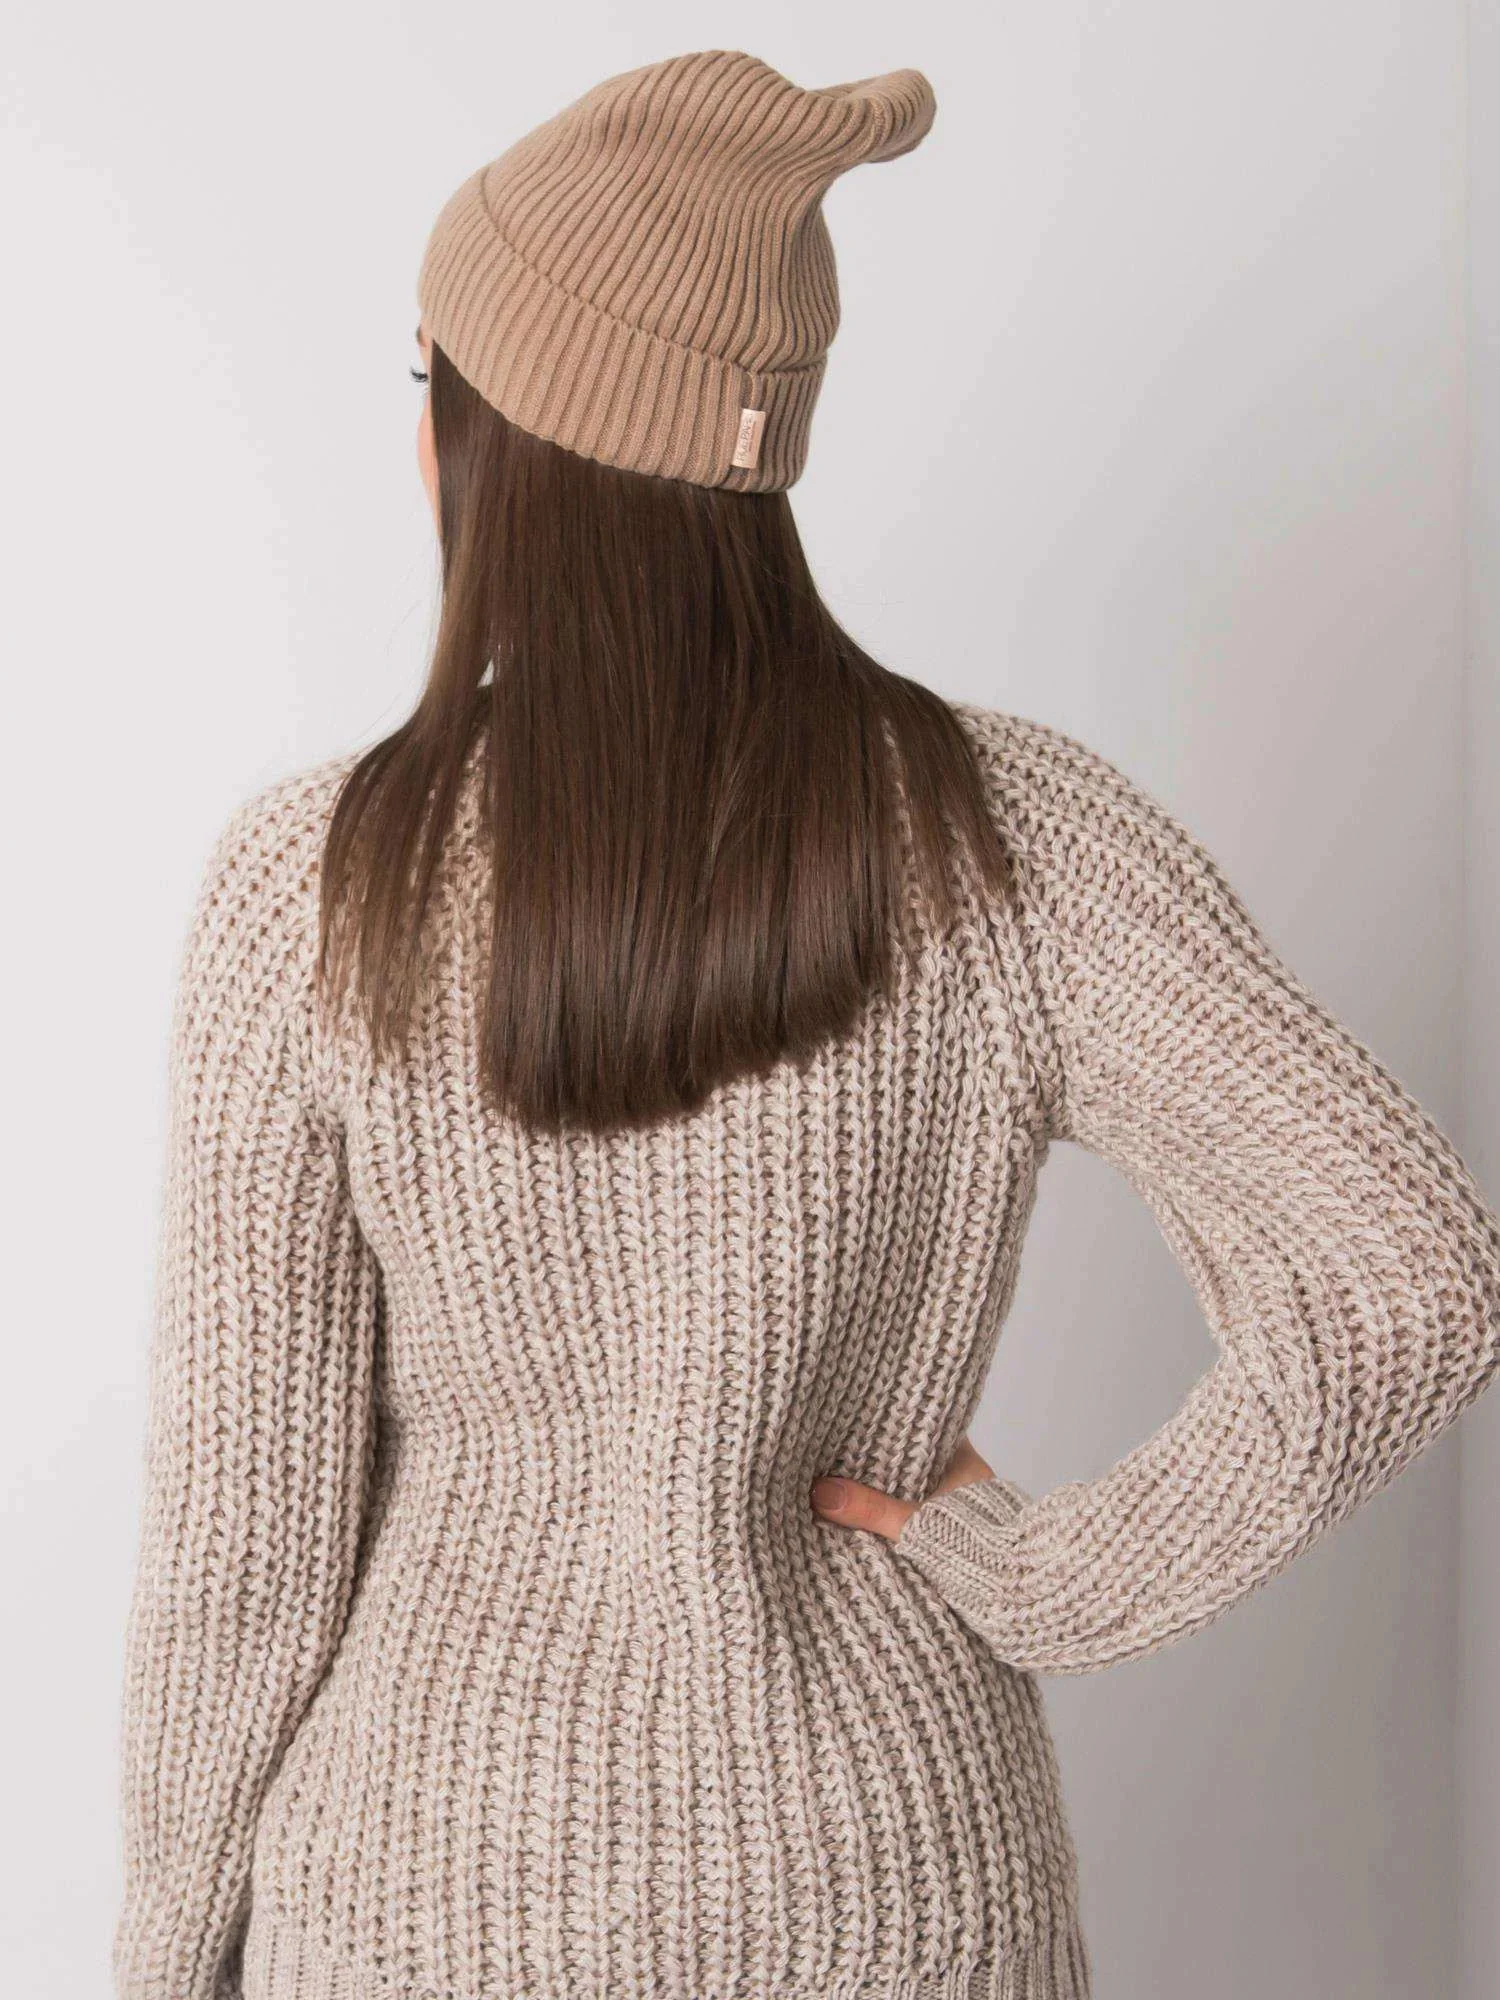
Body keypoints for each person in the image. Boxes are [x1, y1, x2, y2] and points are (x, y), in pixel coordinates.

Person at [111, 48, 1500, 2000]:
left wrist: (165, 1962)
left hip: (433, 1902)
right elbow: (1405, 1269)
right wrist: (1037, 1577)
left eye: (432, 377)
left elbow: (244, 1557)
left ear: (505, 446)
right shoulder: (1010, 836)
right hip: (896, 1891)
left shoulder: (324, 885)